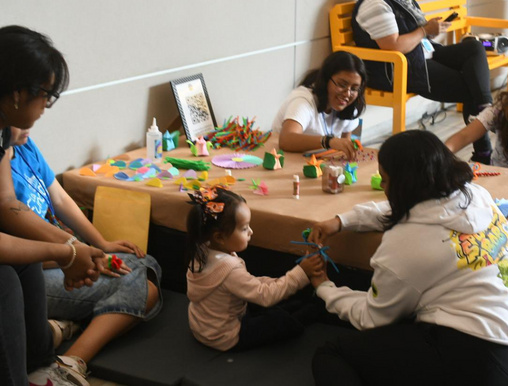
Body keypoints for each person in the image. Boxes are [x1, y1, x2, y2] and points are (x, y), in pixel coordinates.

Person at [307, 130, 508, 386]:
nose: (382, 187)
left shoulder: (403, 244)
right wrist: (342, 221)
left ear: (403, 185)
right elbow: (410, 210)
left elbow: (371, 319)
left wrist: (324, 287)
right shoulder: (475, 196)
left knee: (331, 354)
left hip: (477, 361)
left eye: (385, 181)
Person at [9, 126, 163, 386]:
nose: (30, 123)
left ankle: (59, 327)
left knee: (145, 262)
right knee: (145, 288)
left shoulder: (25, 145)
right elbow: (17, 252)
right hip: (34, 272)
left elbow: (59, 198)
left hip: (64, 256)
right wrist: (75, 258)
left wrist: (101, 244)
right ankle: (70, 363)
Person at [0, 25, 105, 386]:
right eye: (45, 94)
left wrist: (73, 246)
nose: (47, 104)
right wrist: (65, 253)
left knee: (25, 265)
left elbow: (6, 204)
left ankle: (41, 365)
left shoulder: (4, 131)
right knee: (4, 284)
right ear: (16, 93)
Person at [352, 0, 493, 163]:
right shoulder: (375, 3)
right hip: (398, 68)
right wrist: (425, 30)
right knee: (471, 86)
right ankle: (484, 139)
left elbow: (414, 37)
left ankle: (484, 110)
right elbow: (394, 46)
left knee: (474, 48)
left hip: (421, 55)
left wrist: (431, 30)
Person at [186, 185, 324, 351]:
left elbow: (248, 284)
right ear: (220, 237)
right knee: (278, 320)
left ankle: (301, 304)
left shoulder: (202, 250)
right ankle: (315, 311)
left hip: (202, 326)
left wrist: (278, 282)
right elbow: (265, 296)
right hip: (224, 336)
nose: (251, 232)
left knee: (277, 299)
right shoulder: (229, 269)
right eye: (244, 228)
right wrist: (301, 272)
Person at [272, 51, 367, 160]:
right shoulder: (303, 101)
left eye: (354, 88)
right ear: (326, 80)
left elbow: (345, 148)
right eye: (342, 85)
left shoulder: (349, 106)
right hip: (283, 161)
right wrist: (328, 141)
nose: (347, 94)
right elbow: (286, 140)